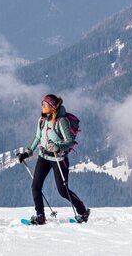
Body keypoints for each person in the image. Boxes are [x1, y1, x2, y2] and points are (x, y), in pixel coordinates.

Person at [17, 94, 89, 225]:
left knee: (63, 190)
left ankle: (83, 211)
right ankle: (40, 216)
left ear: (52, 107)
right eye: (42, 104)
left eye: (44, 104)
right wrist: (27, 153)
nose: (42, 106)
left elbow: (70, 141)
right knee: (35, 187)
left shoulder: (61, 121)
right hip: (43, 157)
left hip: (58, 159)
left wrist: (58, 147)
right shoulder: (41, 120)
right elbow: (37, 137)